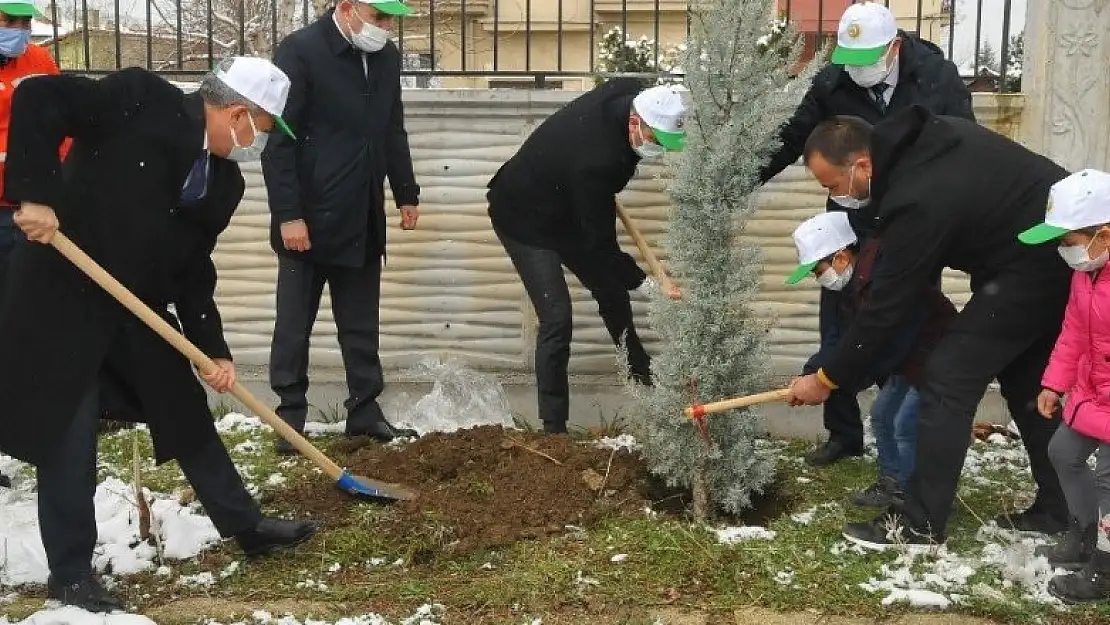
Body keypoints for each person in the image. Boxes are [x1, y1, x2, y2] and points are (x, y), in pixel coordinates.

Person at [0, 57, 320, 613]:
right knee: (69, 439)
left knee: (184, 406)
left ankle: (246, 526)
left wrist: (211, 349)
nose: (257, 143)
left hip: (134, 307)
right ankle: (71, 575)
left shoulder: (223, 181)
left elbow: (193, 268)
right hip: (63, 294)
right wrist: (34, 195)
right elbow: (38, 99)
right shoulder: (139, 97)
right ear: (238, 112)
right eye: (261, 129)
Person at [787, 109, 1073, 547]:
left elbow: (886, 307)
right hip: (1035, 259)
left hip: (1041, 260)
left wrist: (829, 378)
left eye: (832, 185)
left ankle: (919, 522)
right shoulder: (922, 147)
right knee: (1026, 381)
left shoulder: (917, 195)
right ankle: (1060, 508)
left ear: (862, 165)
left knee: (948, 373)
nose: (835, 196)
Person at [760, 1, 974, 468]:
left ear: (895, 47)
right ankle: (843, 433)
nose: (855, 70)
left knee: (901, 313)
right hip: (851, 208)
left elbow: (962, 143)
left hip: (914, 216)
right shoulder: (834, 79)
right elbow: (796, 133)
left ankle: (900, 425)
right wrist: (741, 176)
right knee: (839, 308)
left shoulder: (934, 77)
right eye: (848, 60)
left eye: (866, 59)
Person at [261, 0, 420, 454]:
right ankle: (291, 416)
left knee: (360, 323)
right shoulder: (301, 51)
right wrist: (288, 214)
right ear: (348, 8)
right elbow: (280, 141)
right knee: (294, 326)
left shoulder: (385, 58)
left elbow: (392, 130)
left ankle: (365, 412)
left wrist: (405, 192)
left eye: (392, 20)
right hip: (306, 219)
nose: (386, 28)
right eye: (379, 17)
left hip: (362, 213)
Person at [485, 79, 686, 434]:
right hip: (524, 217)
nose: (660, 150)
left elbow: (596, 237)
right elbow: (601, 247)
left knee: (611, 291)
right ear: (634, 123)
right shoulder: (596, 163)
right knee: (557, 318)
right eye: (656, 140)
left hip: (572, 205)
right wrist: (649, 286)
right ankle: (554, 428)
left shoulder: (629, 91)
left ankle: (642, 376)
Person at [785, 211, 955, 509]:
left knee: (905, 424)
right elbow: (841, 340)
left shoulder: (882, 275)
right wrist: (812, 375)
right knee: (882, 415)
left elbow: (884, 344)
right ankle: (894, 482)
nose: (818, 278)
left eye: (817, 270)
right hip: (908, 359)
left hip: (937, 353)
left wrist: (836, 381)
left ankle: (920, 496)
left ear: (840, 257)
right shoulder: (848, 285)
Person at [1017, 169, 1110, 603]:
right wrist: (1054, 382)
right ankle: (1084, 535)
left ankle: (1106, 569)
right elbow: (1074, 332)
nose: (1063, 251)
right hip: (1095, 393)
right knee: (1063, 451)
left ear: (1103, 234)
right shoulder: (1085, 275)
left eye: (1068, 241)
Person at [0, 0, 72, 490]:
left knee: (22, 325)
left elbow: (63, 130)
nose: (18, 31)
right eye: (8, 21)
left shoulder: (40, 63)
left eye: (24, 22)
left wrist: (53, 189)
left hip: (25, 216)